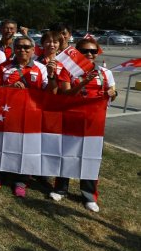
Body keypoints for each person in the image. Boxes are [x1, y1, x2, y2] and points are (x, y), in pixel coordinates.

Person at [49, 38, 116, 212]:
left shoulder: (104, 72)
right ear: (77, 53)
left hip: (94, 123)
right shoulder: (68, 71)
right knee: (67, 154)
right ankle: (61, 189)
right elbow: (67, 94)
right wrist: (84, 82)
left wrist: (112, 92)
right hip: (72, 119)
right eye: (85, 51)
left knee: (91, 158)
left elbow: (113, 93)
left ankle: (88, 195)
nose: (90, 54)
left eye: (93, 51)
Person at [0, 36, 56, 196]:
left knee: (27, 148)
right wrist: (10, 87)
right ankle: (1, 174)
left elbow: (50, 93)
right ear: (14, 49)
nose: (23, 50)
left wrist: (53, 76)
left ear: (34, 50)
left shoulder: (42, 68)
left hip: (31, 115)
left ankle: (21, 181)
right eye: (19, 47)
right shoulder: (3, 67)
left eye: (27, 47)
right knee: (4, 145)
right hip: (8, 114)